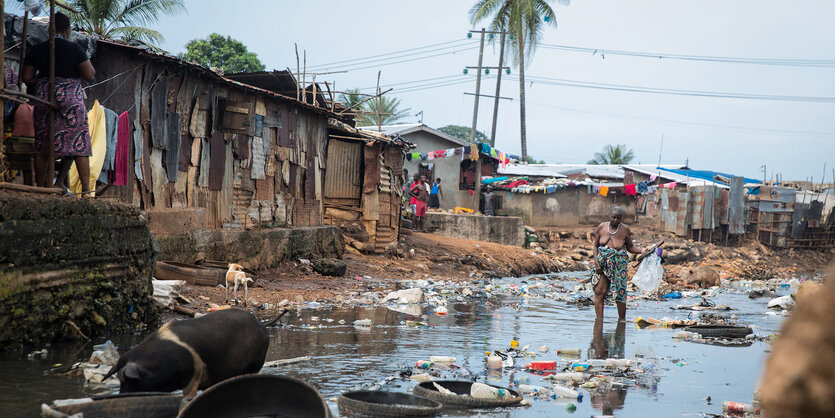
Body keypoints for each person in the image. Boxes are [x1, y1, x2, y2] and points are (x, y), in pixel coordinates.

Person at [21, 12, 96, 195]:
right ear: (67, 30)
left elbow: (27, 77)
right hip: (71, 98)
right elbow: (90, 74)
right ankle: (86, 191)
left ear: (50, 29)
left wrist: (43, 79)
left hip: (45, 98)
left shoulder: (37, 49)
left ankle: (41, 189)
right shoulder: (74, 48)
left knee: (43, 145)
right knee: (79, 144)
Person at [591, 206, 645, 320]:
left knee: (620, 294)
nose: (615, 220)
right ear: (609, 216)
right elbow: (595, 246)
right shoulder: (601, 227)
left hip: (618, 265)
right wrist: (596, 263)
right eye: (614, 217)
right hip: (602, 264)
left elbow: (630, 247)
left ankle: (621, 322)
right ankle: (599, 321)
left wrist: (642, 251)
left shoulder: (625, 230)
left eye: (618, 218)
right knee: (600, 292)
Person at [588, 318, 627, 414]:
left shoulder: (596, 404)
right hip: (613, 372)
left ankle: (620, 321)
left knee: (600, 347)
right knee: (599, 343)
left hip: (600, 371)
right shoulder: (618, 404)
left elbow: (590, 386)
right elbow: (625, 387)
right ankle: (614, 323)